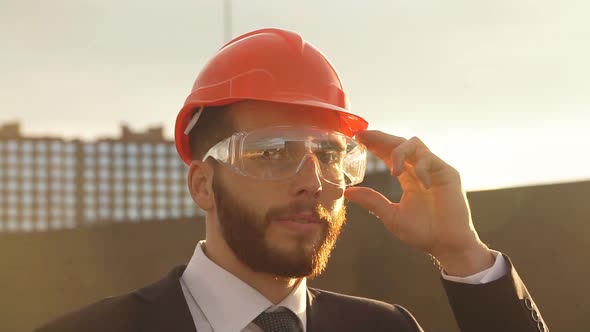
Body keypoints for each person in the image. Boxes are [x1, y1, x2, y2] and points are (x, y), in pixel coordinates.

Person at [36, 28, 549, 332]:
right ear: (202, 185)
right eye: (273, 151)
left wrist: (463, 255)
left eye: (330, 154)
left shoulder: (385, 330)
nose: (314, 181)